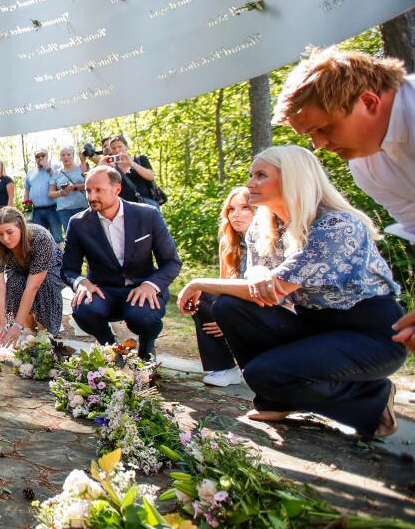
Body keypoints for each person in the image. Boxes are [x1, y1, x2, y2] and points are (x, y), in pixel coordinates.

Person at [177, 146, 404, 438]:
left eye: (261, 175)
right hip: (314, 324)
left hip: (370, 334)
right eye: (251, 175)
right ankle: (276, 399)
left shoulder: (336, 225)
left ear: (293, 179)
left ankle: (373, 399)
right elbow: (257, 284)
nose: (250, 183)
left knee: (263, 373)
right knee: (229, 307)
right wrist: (257, 273)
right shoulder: (263, 227)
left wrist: (198, 283)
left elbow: (276, 289)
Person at [273, 45, 415, 353]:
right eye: (310, 135)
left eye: (324, 128)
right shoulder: (367, 165)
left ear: (368, 101)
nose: (319, 145)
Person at [62, 165, 182, 359]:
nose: (91, 197)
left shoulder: (148, 215)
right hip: (103, 290)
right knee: (83, 310)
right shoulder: (77, 223)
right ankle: (112, 350)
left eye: (98, 190)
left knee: (143, 317)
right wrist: (81, 283)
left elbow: (171, 262)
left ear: (117, 189)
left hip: (141, 287)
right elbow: (68, 269)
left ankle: (146, 348)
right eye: (88, 190)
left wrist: (151, 285)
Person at [188, 187, 254, 387]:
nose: (236, 214)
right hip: (237, 304)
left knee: (223, 304)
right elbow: (223, 283)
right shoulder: (228, 242)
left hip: (263, 306)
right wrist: (220, 315)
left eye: (244, 208)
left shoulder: (270, 240)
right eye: (231, 209)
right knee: (200, 296)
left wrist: (230, 321)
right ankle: (224, 367)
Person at [0, 206, 66, 346]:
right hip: (20, 269)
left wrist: (16, 325)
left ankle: (45, 333)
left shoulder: (40, 238)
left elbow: (32, 286)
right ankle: (28, 331)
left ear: (21, 228)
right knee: (14, 283)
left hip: (52, 269)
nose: (5, 238)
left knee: (43, 285)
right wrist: (1, 324)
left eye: (10, 232)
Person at [107, 136, 159, 207]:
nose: (117, 150)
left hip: (147, 203)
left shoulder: (140, 159)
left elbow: (150, 176)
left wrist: (132, 163)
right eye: (114, 148)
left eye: (120, 147)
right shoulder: (111, 167)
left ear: (126, 147)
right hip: (125, 206)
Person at [24, 149, 61, 242]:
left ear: (47, 157)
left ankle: (59, 256)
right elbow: (27, 192)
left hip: (53, 209)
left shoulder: (55, 168)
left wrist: (48, 168)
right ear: (35, 159)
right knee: (38, 238)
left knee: (56, 237)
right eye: (37, 156)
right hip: (36, 211)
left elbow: (59, 182)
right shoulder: (30, 173)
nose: (40, 158)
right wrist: (27, 212)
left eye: (43, 156)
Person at [49, 146, 88, 233]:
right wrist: (61, 192)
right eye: (63, 155)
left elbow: (88, 184)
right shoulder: (56, 173)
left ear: (73, 156)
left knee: (85, 235)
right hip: (64, 210)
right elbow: (51, 193)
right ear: (60, 157)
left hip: (81, 207)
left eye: (68, 154)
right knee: (70, 237)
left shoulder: (82, 167)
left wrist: (74, 187)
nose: (65, 157)